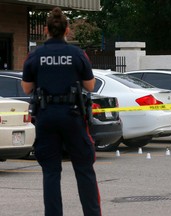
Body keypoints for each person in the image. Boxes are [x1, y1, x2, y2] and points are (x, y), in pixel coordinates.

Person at [21, 7, 101, 216]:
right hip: (72, 116)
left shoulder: (35, 54)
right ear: (67, 30)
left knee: (51, 172)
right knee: (84, 169)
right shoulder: (77, 53)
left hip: (46, 117)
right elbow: (90, 85)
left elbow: (27, 88)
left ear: (46, 29)